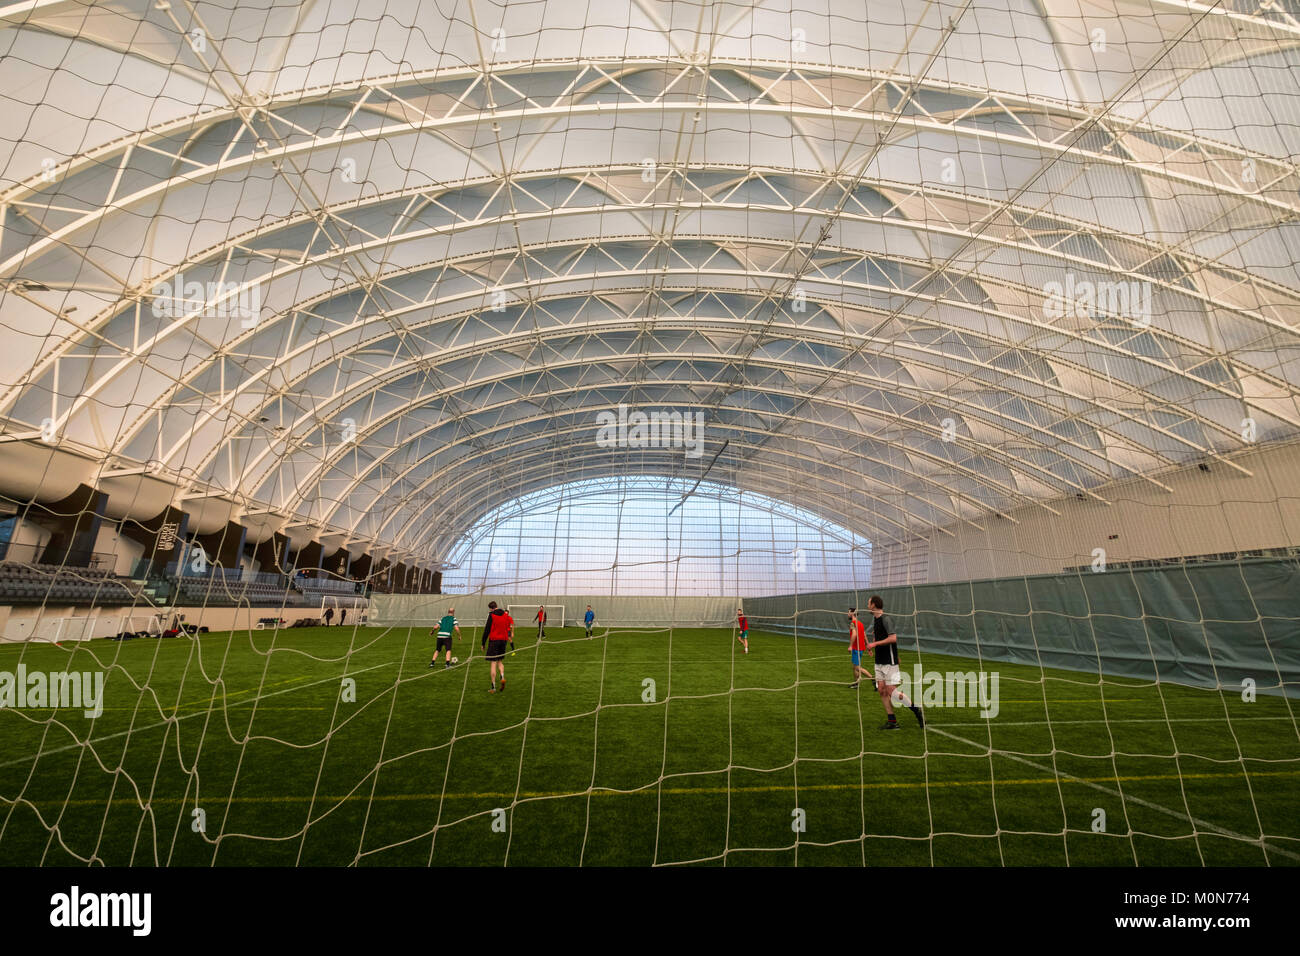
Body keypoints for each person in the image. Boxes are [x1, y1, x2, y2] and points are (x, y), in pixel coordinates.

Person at [865, 595, 923, 729]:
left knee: (892, 691)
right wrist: (874, 644)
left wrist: (874, 644)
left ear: (874, 605)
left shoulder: (886, 619)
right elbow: (881, 637)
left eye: (869, 603)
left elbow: (893, 638)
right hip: (879, 660)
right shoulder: (876, 619)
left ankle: (916, 709)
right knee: (881, 690)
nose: (867, 605)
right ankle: (892, 721)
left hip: (889, 661)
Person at [481, 601, 515, 693]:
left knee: (493, 663)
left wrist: (483, 643)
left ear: (491, 608)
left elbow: (487, 630)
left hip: (494, 641)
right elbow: (508, 626)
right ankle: (502, 676)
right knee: (500, 661)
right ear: (496, 606)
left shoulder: (491, 615)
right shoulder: (505, 614)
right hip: (503, 641)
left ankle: (493, 687)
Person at [847, 608, 871, 688]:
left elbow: (854, 635)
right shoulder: (860, 623)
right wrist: (868, 646)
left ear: (852, 613)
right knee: (854, 667)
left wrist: (850, 646)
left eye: (848, 612)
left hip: (856, 648)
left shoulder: (853, 623)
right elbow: (864, 635)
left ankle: (873, 679)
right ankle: (856, 684)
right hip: (860, 648)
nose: (847, 614)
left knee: (857, 667)